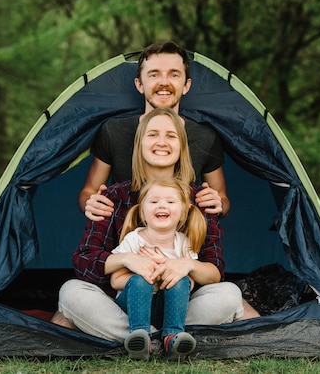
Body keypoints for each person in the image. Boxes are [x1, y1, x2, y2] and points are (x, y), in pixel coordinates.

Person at [53, 108, 246, 349]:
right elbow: (84, 262)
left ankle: (155, 338)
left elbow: (215, 271)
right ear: (139, 144)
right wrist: (128, 260)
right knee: (71, 292)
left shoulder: (200, 200)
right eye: (152, 135)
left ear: (182, 147)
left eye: (171, 136)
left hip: (182, 308)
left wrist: (186, 265)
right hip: (122, 307)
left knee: (229, 295)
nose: (162, 142)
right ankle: (154, 339)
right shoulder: (114, 196)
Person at [80, 41, 230, 222]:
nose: (164, 82)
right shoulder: (113, 131)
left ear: (186, 85)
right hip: (124, 238)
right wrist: (91, 203)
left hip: (180, 240)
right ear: (139, 84)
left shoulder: (205, 136)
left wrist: (218, 204)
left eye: (174, 75)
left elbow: (221, 197)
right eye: (154, 75)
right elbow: (89, 191)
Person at [112, 177, 206, 360]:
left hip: (166, 307)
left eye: (170, 201)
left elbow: (191, 281)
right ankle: (140, 337)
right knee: (140, 280)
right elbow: (115, 280)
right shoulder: (134, 239)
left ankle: (172, 337)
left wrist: (165, 272)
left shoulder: (183, 243)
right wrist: (148, 276)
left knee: (181, 280)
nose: (162, 206)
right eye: (154, 201)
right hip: (133, 304)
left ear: (183, 212)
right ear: (142, 211)